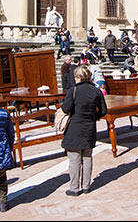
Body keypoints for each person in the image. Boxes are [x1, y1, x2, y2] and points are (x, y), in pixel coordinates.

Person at [61, 65, 108, 196]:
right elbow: (104, 111)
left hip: (75, 127)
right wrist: (94, 117)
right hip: (89, 126)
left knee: (74, 159)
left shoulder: (73, 91)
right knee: (87, 157)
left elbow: (65, 108)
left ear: (78, 77)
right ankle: (86, 186)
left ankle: (75, 188)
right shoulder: (96, 91)